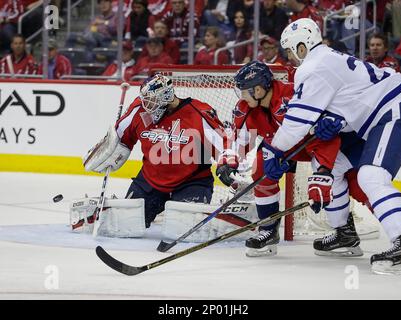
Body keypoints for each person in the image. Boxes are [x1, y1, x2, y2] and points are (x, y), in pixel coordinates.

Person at [264, 18, 401, 274]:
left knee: (371, 176)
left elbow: (295, 124)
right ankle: (344, 233)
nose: (290, 58)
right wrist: (336, 120)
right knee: (331, 167)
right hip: (376, 116)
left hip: (394, 109)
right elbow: (351, 97)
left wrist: (275, 152)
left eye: (290, 51)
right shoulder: (327, 57)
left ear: (301, 46)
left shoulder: (313, 67)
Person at [216, 61, 368, 257]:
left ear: (259, 89)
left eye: (244, 91)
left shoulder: (294, 98)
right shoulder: (247, 108)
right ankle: (268, 231)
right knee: (261, 169)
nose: (241, 96)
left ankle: (350, 233)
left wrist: (323, 171)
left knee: (357, 182)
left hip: (325, 142)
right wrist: (228, 160)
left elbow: (324, 138)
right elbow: (239, 140)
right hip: (281, 145)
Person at [83, 74, 227, 228]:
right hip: (150, 182)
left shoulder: (199, 113)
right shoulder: (139, 109)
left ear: (166, 97)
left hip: (192, 182)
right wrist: (110, 149)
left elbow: (225, 143)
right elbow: (119, 137)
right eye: (145, 100)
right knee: (125, 225)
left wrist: (227, 163)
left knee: (181, 229)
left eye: (151, 101)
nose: (146, 106)